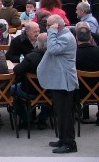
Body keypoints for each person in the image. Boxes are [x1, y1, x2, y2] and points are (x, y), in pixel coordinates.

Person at [37, 15, 78, 153]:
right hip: (59, 80)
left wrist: (52, 32)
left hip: (65, 81)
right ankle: (62, 138)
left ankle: (69, 143)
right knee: (60, 112)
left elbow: (53, 49)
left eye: (49, 26)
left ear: (57, 26)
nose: (47, 29)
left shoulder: (66, 37)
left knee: (65, 113)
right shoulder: (61, 36)